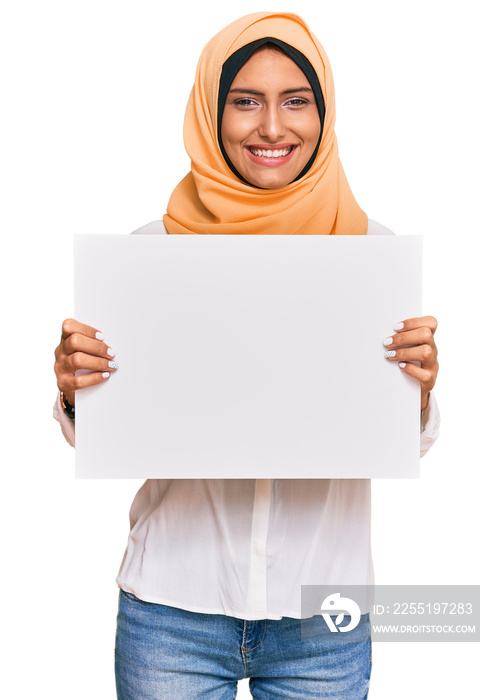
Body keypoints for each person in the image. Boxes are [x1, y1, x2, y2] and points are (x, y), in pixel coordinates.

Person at [53, 12, 440, 699]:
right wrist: (79, 393)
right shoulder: (151, 253)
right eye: (244, 101)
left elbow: (404, 442)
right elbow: (109, 436)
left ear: (323, 114)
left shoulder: (368, 254)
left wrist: (414, 395)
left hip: (324, 618)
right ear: (210, 110)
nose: (271, 127)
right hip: (172, 607)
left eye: (296, 101)